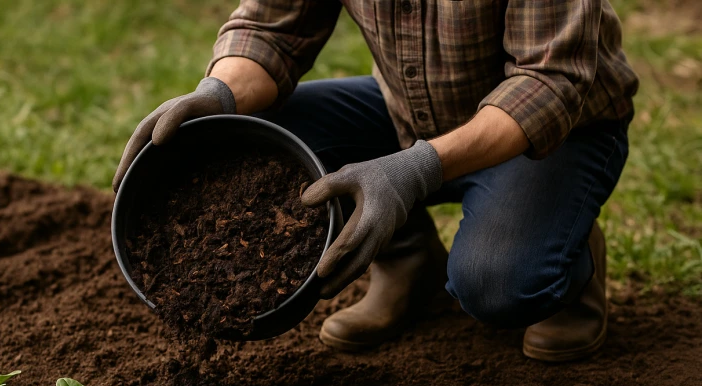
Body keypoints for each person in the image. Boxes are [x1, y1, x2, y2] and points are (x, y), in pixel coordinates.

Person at [112, 0, 638, 362]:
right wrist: (218, 96)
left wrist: (413, 170)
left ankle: (570, 261)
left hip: (554, 130)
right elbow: (272, 28)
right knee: (252, 139)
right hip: (409, 112)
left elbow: (550, 81)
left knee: (498, 284)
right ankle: (408, 261)